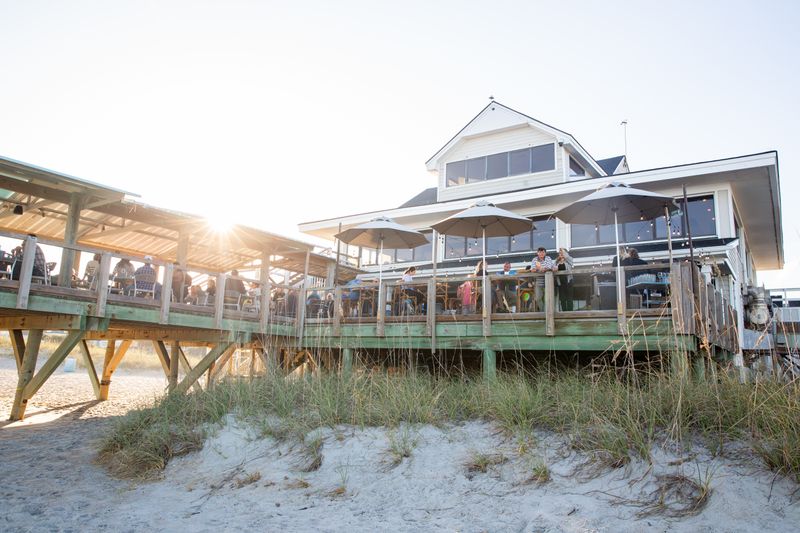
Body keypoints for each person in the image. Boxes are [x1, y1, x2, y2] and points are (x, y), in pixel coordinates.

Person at [531, 247, 557, 312]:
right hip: (538, 280)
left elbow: (549, 267)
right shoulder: (534, 259)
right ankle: (543, 311)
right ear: (537, 253)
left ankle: (547, 312)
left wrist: (539, 268)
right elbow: (532, 269)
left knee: (548, 298)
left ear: (545, 253)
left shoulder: (548, 258)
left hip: (548, 280)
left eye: (543, 252)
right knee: (537, 298)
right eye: (540, 252)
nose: (541, 253)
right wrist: (540, 269)